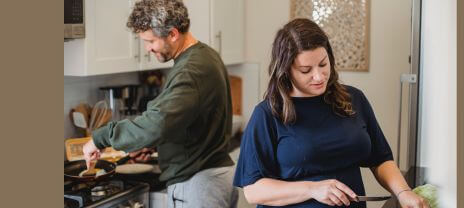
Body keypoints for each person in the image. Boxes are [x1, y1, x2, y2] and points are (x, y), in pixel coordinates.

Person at [233, 18, 429, 208]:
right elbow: (253, 190)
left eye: (323, 64)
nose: (318, 76)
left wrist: (404, 192)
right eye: (305, 70)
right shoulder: (268, 114)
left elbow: (381, 159)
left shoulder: (353, 99)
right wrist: (312, 189)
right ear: (286, 70)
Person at [82, 0, 238, 207]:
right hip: (210, 178)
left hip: (199, 185)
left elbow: (157, 122)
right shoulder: (204, 56)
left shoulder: (190, 70)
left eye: (150, 41)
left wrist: (100, 138)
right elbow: (185, 120)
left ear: (172, 34)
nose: (147, 49)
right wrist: (155, 145)